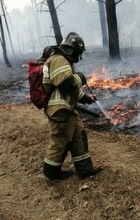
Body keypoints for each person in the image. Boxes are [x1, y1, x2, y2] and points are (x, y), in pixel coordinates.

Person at [42, 32, 103, 180]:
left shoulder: (65, 62)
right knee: (60, 140)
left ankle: (85, 170)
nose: (78, 57)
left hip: (68, 110)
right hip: (59, 110)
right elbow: (66, 85)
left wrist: (87, 99)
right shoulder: (58, 59)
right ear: (72, 49)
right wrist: (80, 77)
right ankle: (51, 172)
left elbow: (72, 91)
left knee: (78, 136)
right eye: (78, 53)